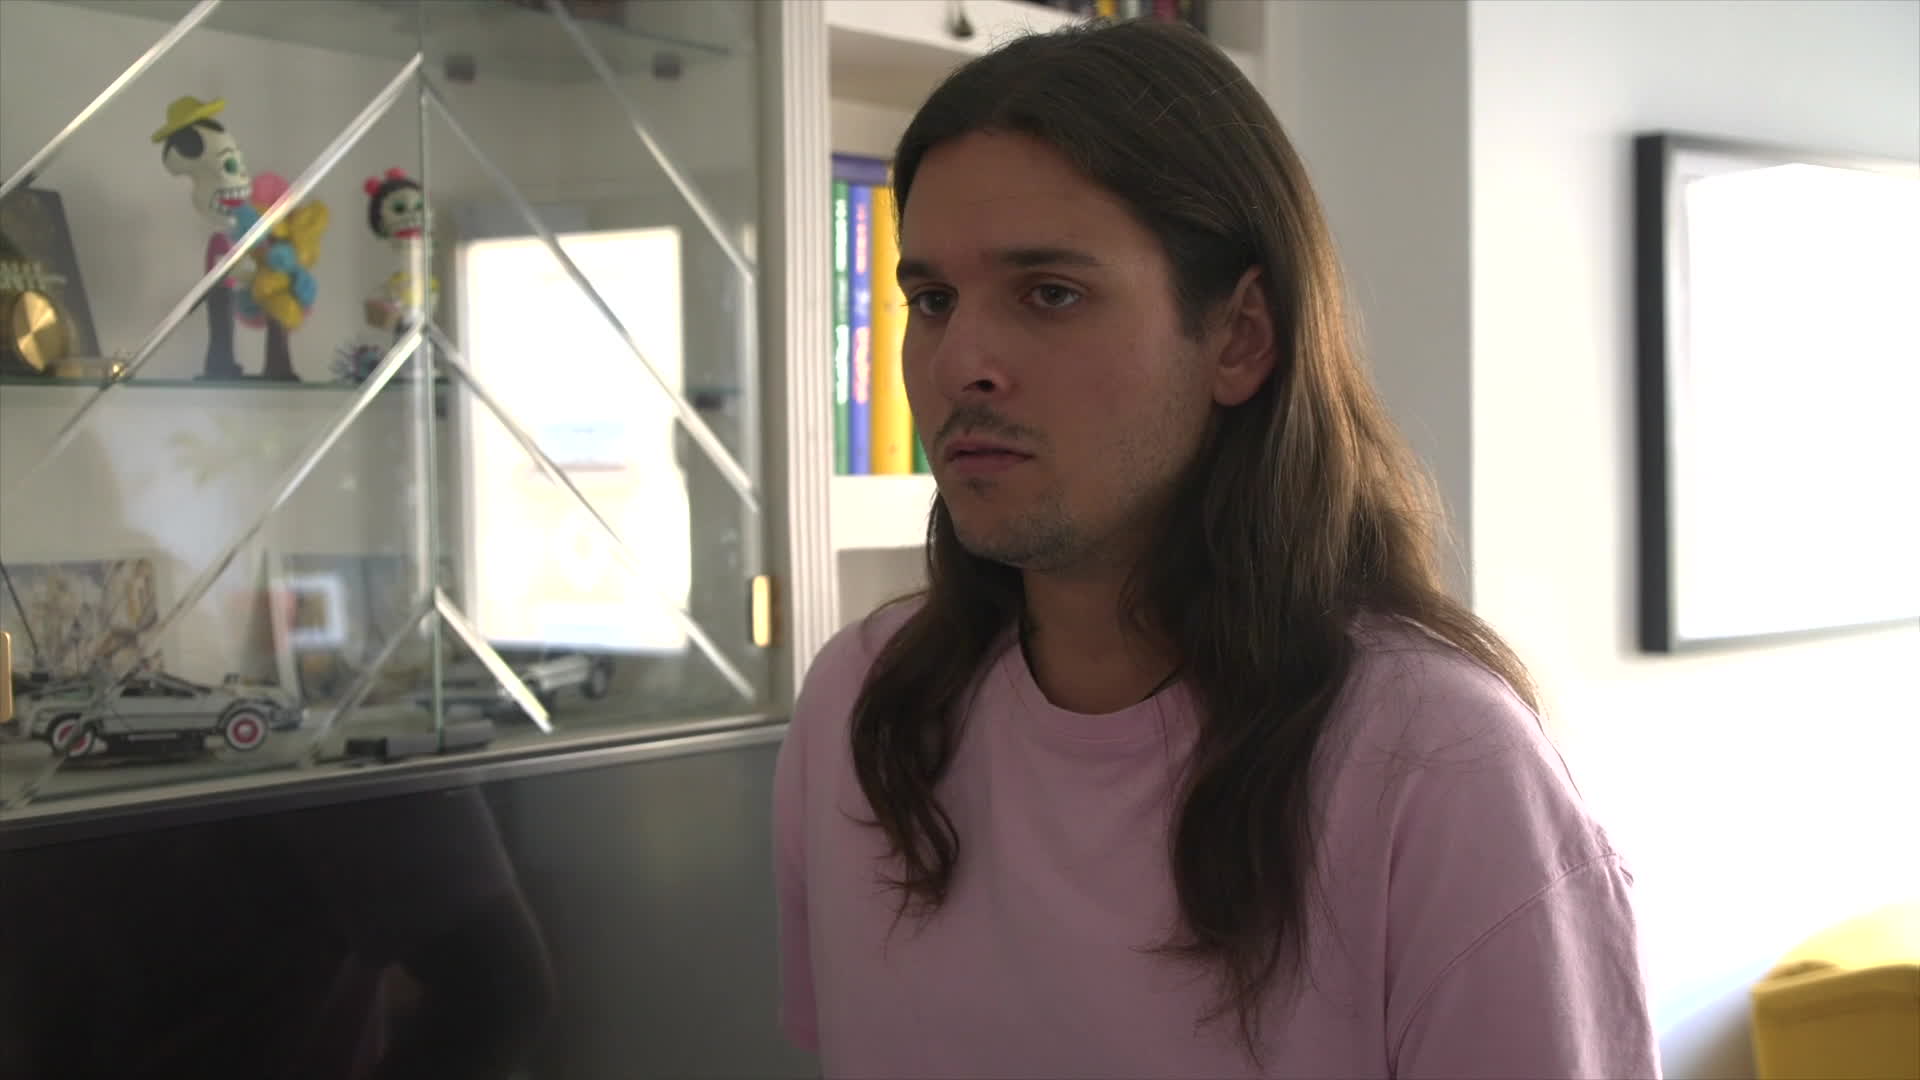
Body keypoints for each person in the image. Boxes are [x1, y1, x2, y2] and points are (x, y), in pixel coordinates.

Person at [773, 16, 1660, 1080]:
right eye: (931, 300)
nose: (961, 362)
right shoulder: (861, 708)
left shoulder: (1437, 770)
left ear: (1240, 337)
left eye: (1050, 294)